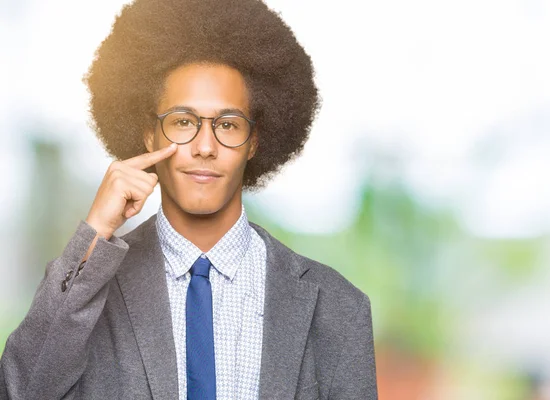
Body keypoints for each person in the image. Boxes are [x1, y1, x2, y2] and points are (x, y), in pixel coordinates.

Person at [0, 0, 377, 398]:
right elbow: (19, 391)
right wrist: (95, 233)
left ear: (254, 142)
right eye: (183, 122)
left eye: (228, 125)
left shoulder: (339, 308)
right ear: (149, 134)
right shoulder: (88, 287)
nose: (204, 146)